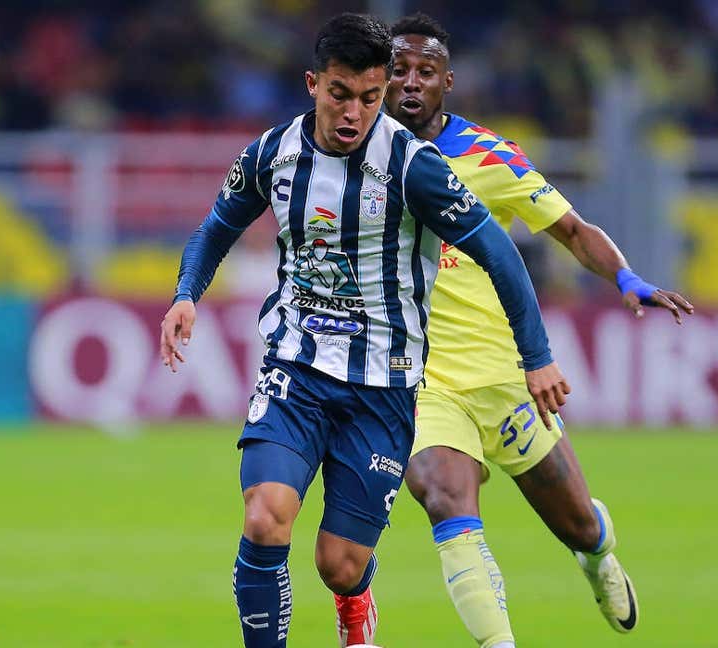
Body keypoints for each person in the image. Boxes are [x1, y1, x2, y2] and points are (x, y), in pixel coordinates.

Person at [158, 14, 570, 648]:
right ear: (313, 84)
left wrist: (535, 356)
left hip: (384, 385)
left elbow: (500, 252)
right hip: (295, 368)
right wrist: (187, 295)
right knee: (266, 517)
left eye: (371, 98)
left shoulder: (414, 167)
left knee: (339, 564)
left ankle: (356, 602)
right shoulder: (273, 154)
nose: (354, 113)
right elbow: (215, 229)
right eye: (340, 94)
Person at [371, 14, 694, 647]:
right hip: (420, 380)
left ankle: (598, 555)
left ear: (447, 83)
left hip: (505, 377)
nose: (410, 84)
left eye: (425, 73)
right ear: (380, 80)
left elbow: (571, 230)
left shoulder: (487, 157)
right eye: (399, 71)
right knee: (442, 496)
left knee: (577, 524)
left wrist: (626, 279)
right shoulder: (359, 156)